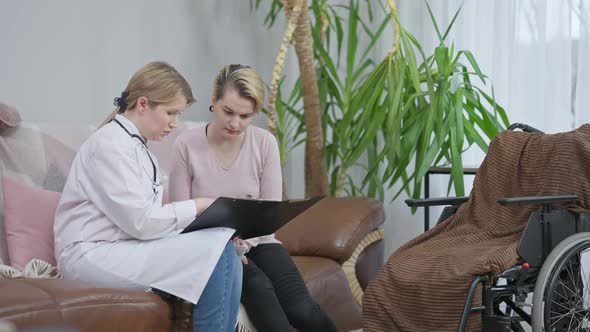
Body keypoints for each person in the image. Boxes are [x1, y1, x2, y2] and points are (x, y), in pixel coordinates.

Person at [53, 61, 242, 332]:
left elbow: (143, 223)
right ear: (143, 104)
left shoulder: (138, 149)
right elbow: (140, 222)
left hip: (120, 247)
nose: (175, 124)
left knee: (225, 244)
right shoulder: (110, 145)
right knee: (218, 250)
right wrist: (199, 205)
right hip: (90, 255)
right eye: (171, 113)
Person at [168, 64, 339, 332]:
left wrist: (245, 242)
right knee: (259, 288)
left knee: (302, 307)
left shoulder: (264, 143)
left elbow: (270, 213)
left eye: (245, 116)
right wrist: (228, 246)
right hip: (212, 250)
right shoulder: (186, 145)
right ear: (213, 101)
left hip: (259, 240)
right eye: (228, 112)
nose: (235, 124)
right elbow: (178, 215)